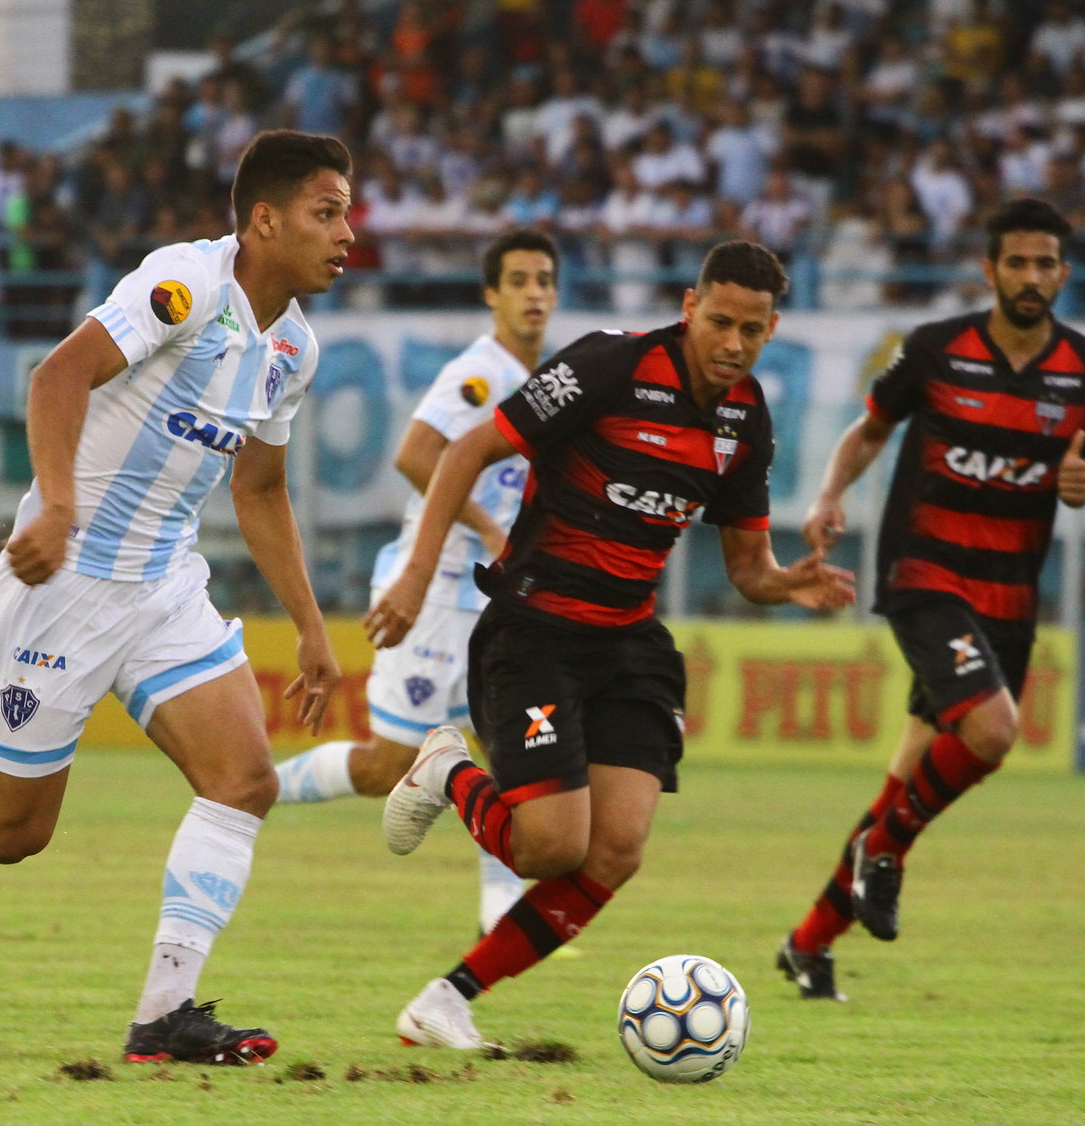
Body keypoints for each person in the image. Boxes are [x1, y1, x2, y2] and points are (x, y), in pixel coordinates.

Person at [0, 131, 355, 1066]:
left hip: (164, 585)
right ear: (264, 220)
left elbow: (259, 490)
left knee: (244, 779)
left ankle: (163, 1016)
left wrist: (310, 625)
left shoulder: (293, 348)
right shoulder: (186, 284)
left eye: (347, 214)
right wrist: (56, 507)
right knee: (14, 832)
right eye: (326, 212)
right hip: (67, 580)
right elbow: (58, 375)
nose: (347, 234)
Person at [363, 241, 855, 1050]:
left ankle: (446, 1000)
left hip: (627, 640)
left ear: (772, 330)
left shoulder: (745, 417)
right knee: (549, 847)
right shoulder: (609, 366)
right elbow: (467, 449)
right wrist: (416, 575)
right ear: (690, 308)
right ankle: (447, 770)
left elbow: (747, 567)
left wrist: (786, 584)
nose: (734, 343)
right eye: (721, 321)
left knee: (616, 849)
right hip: (536, 630)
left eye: (753, 330)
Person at [776, 197, 1085, 1002]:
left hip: (1009, 593)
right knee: (993, 731)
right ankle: (885, 851)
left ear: (1063, 274)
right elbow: (870, 429)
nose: (1031, 277)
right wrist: (828, 494)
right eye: (1017, 262)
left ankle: (810, 942)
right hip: (925, 571)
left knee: (907, 779)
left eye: (1045, 264)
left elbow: (1084, 473)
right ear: (989, 269)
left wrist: (1082, 486)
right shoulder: (934, 349)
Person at [272, 229, 558, 935]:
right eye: (518, 280)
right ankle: (254, 788)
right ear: (491, 294)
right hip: (432, 594)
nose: (534, 293)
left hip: (488, 597)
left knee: (505, 752)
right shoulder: (480, 375)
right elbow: (415, 454)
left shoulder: (545, 382)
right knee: (387, 768)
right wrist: (490, 530)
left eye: (544, 280)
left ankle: (500, 916)